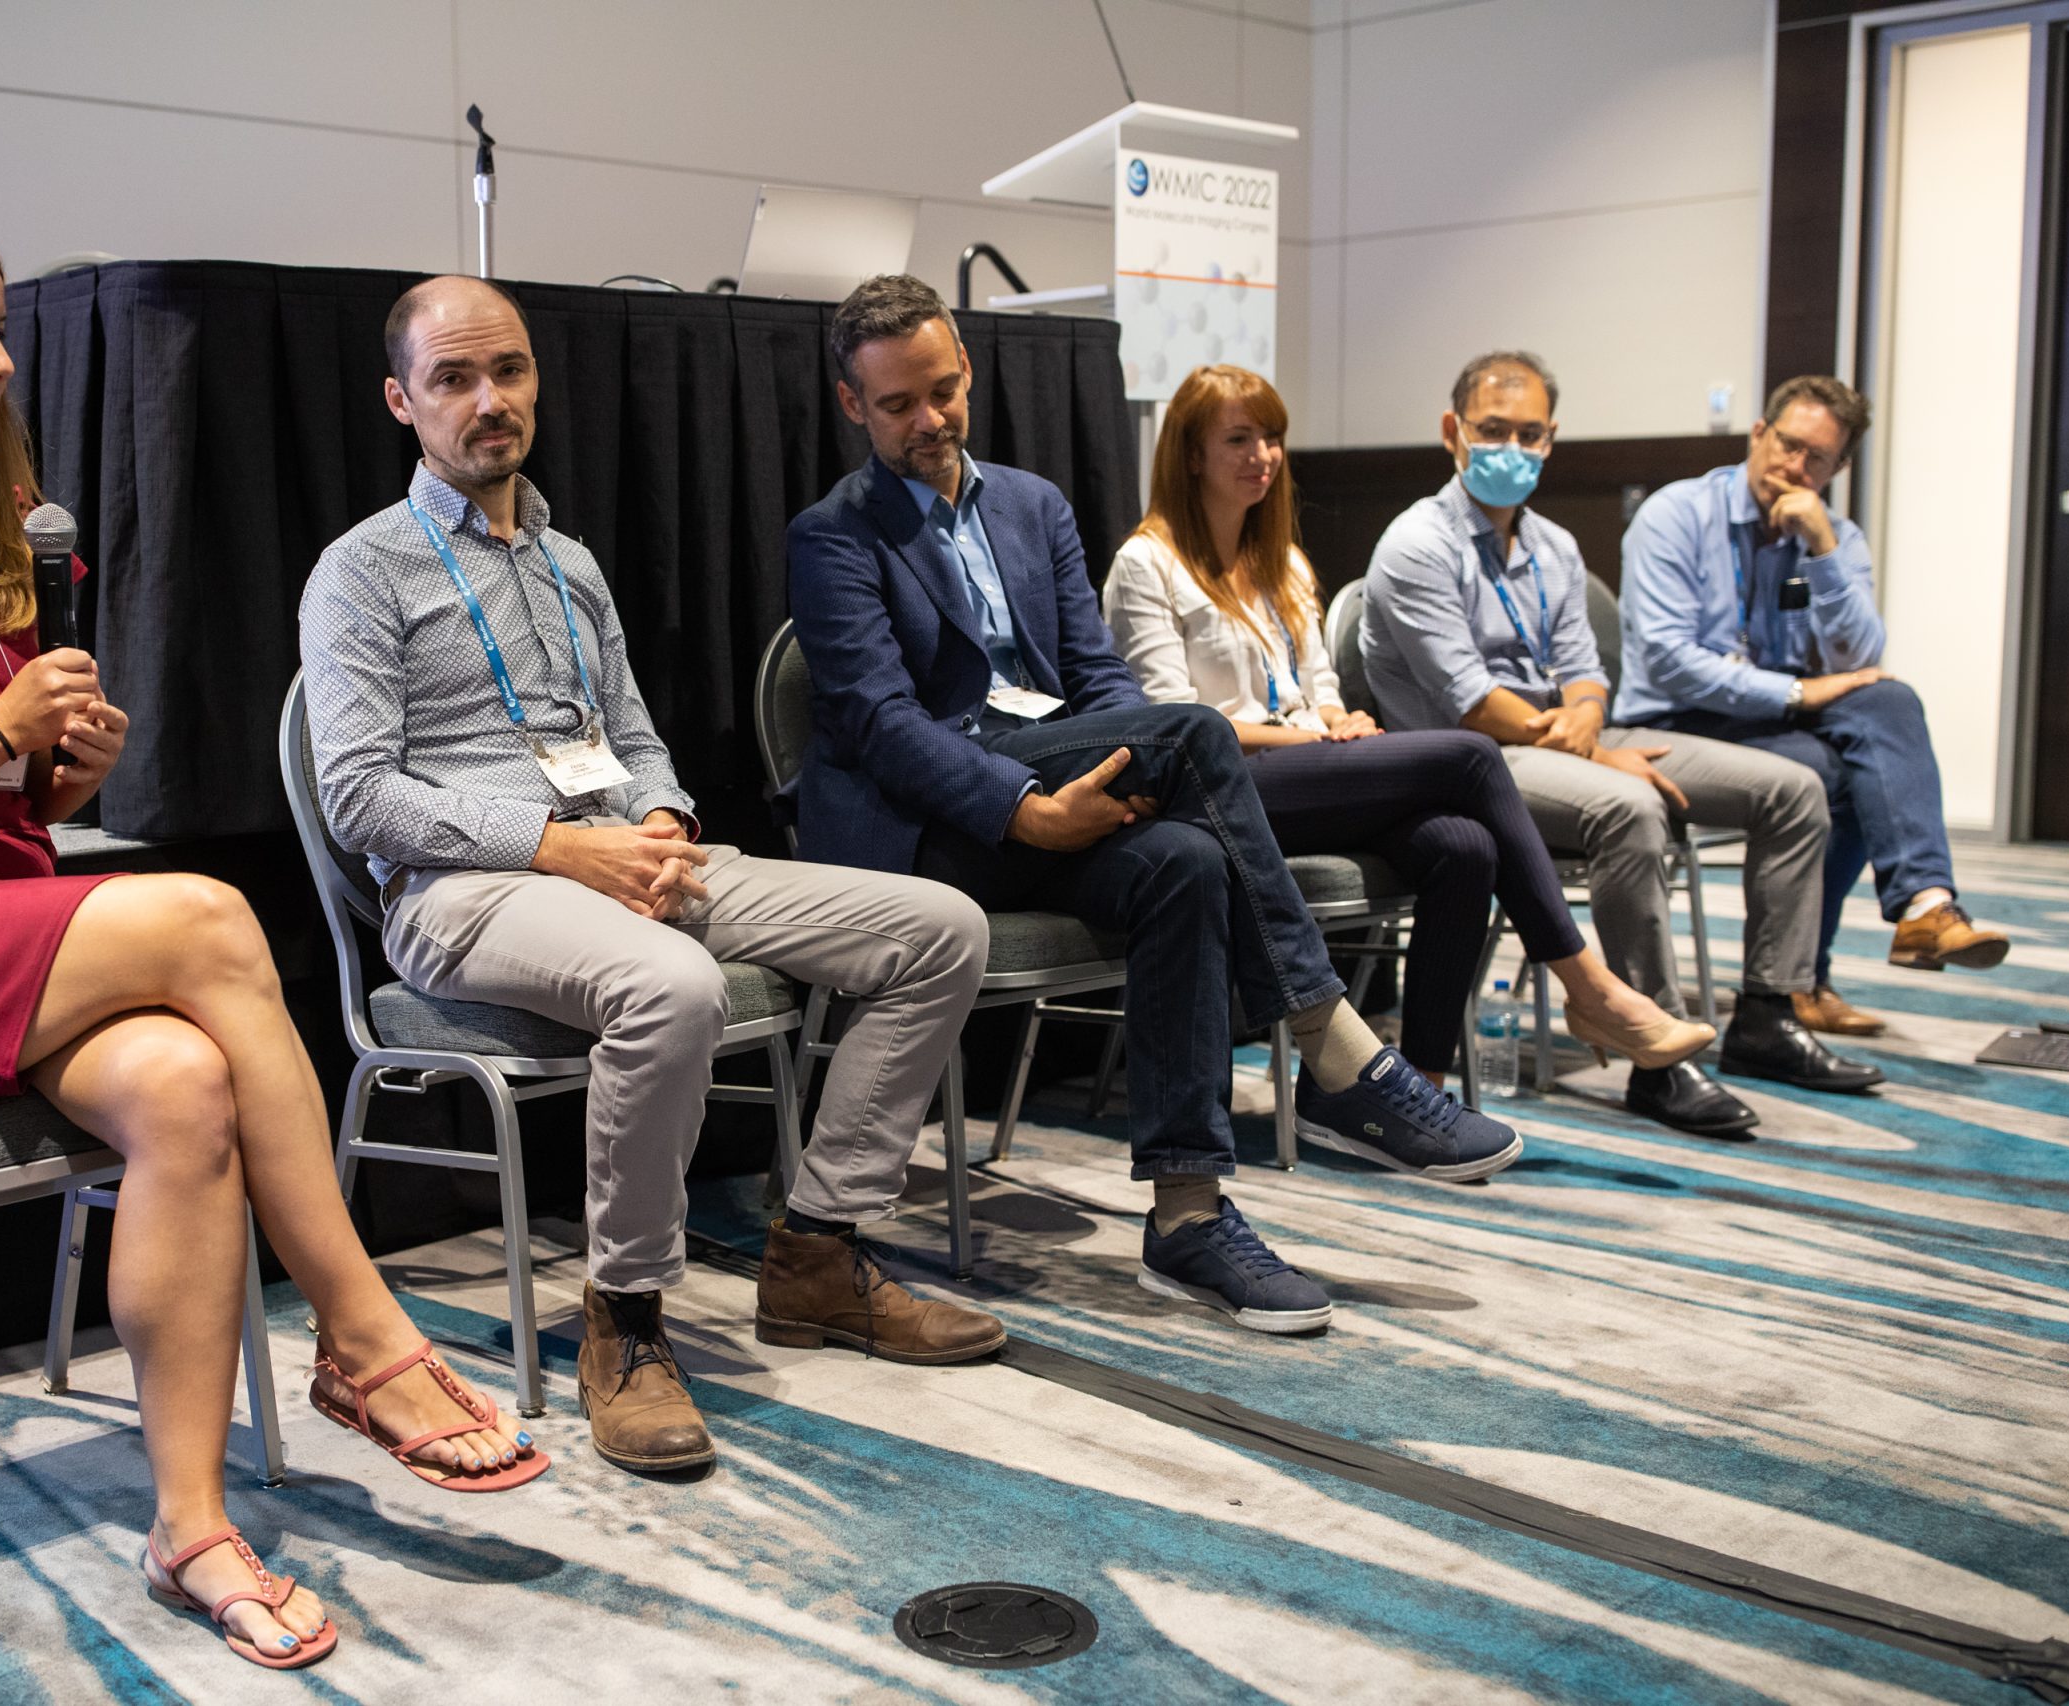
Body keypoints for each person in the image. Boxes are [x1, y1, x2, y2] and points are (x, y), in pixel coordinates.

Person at [0, 204, 556, 1675]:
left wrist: (51, 773)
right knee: (205, 914)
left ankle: (189, 1527)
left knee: (183, 1084)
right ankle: (363, 1330)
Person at [301, 275, 1003, 1476]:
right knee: (675, 985)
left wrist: (661, 818)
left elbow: (627, 736)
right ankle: (622, 1319)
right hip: (463, 888)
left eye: (508, 371)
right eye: (453, 378)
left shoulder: (570, 562)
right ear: (400, 401)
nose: (488, 400)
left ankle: (818, 1248)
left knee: (938, 928)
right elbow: (360, 795)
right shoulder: (361, 571)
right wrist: (559, 845)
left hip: (624, 857)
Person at [787, 275, 1523, 1342]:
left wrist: (1119, 777)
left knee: (1188, 858)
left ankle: (1187, 1215)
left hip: (1063, 772)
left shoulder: (1033, 506)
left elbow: (1097, 678)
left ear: (968, 373)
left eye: (942, 392)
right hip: (935, 823)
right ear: (854, 405)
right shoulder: (833, 535)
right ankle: (1333, 1048)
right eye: (898, 404)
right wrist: (1025, 809)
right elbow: (881, 726)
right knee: (1198, 732)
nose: (929, 419)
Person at [1101, 365, 1711, 1109]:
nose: (1262, 455)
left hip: (1303, 771)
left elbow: (1318, 688)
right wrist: (1310, 743)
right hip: (1217, 787)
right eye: (1239, 439)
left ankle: (1417, 1088)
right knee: (1471, 756)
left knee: (1465, 846)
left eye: (1272, 438)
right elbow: (1174, 724)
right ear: (1191, 454)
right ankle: (1590, 988)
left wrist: (1339, 722)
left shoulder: (1281, 562)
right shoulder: (1147, 564)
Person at [1362, 351, 1881, 1138]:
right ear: (1452, 431)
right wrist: (1594, 750)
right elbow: (1472, 704)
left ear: (1551, 439)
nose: (1511, 448)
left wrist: (1588, 714)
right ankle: (1657, 1057)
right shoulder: (1417, 544)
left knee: (1792, 789)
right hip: (1466, 761)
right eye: (1492, 430)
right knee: (1630, 806)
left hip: (1566, 741)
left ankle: (1769, 1012)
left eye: (1529, 433)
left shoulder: (1554, 545)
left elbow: (1585, 669)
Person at [1617, 375, 2010, 1032]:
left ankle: (1923, 905)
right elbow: (1669, 663)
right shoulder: (1676, 515)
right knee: (1833, 774)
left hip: (1771, 719)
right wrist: (1797, 692)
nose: (1796, 466)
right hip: (1670, 721)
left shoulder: (1836, 536)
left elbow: (1861, 657)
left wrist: (1823, 551)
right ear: (1758, 434)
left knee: (1889, 701)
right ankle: (1800, 982)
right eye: (1788, 444)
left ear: (1838, 468)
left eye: (1817, 458)